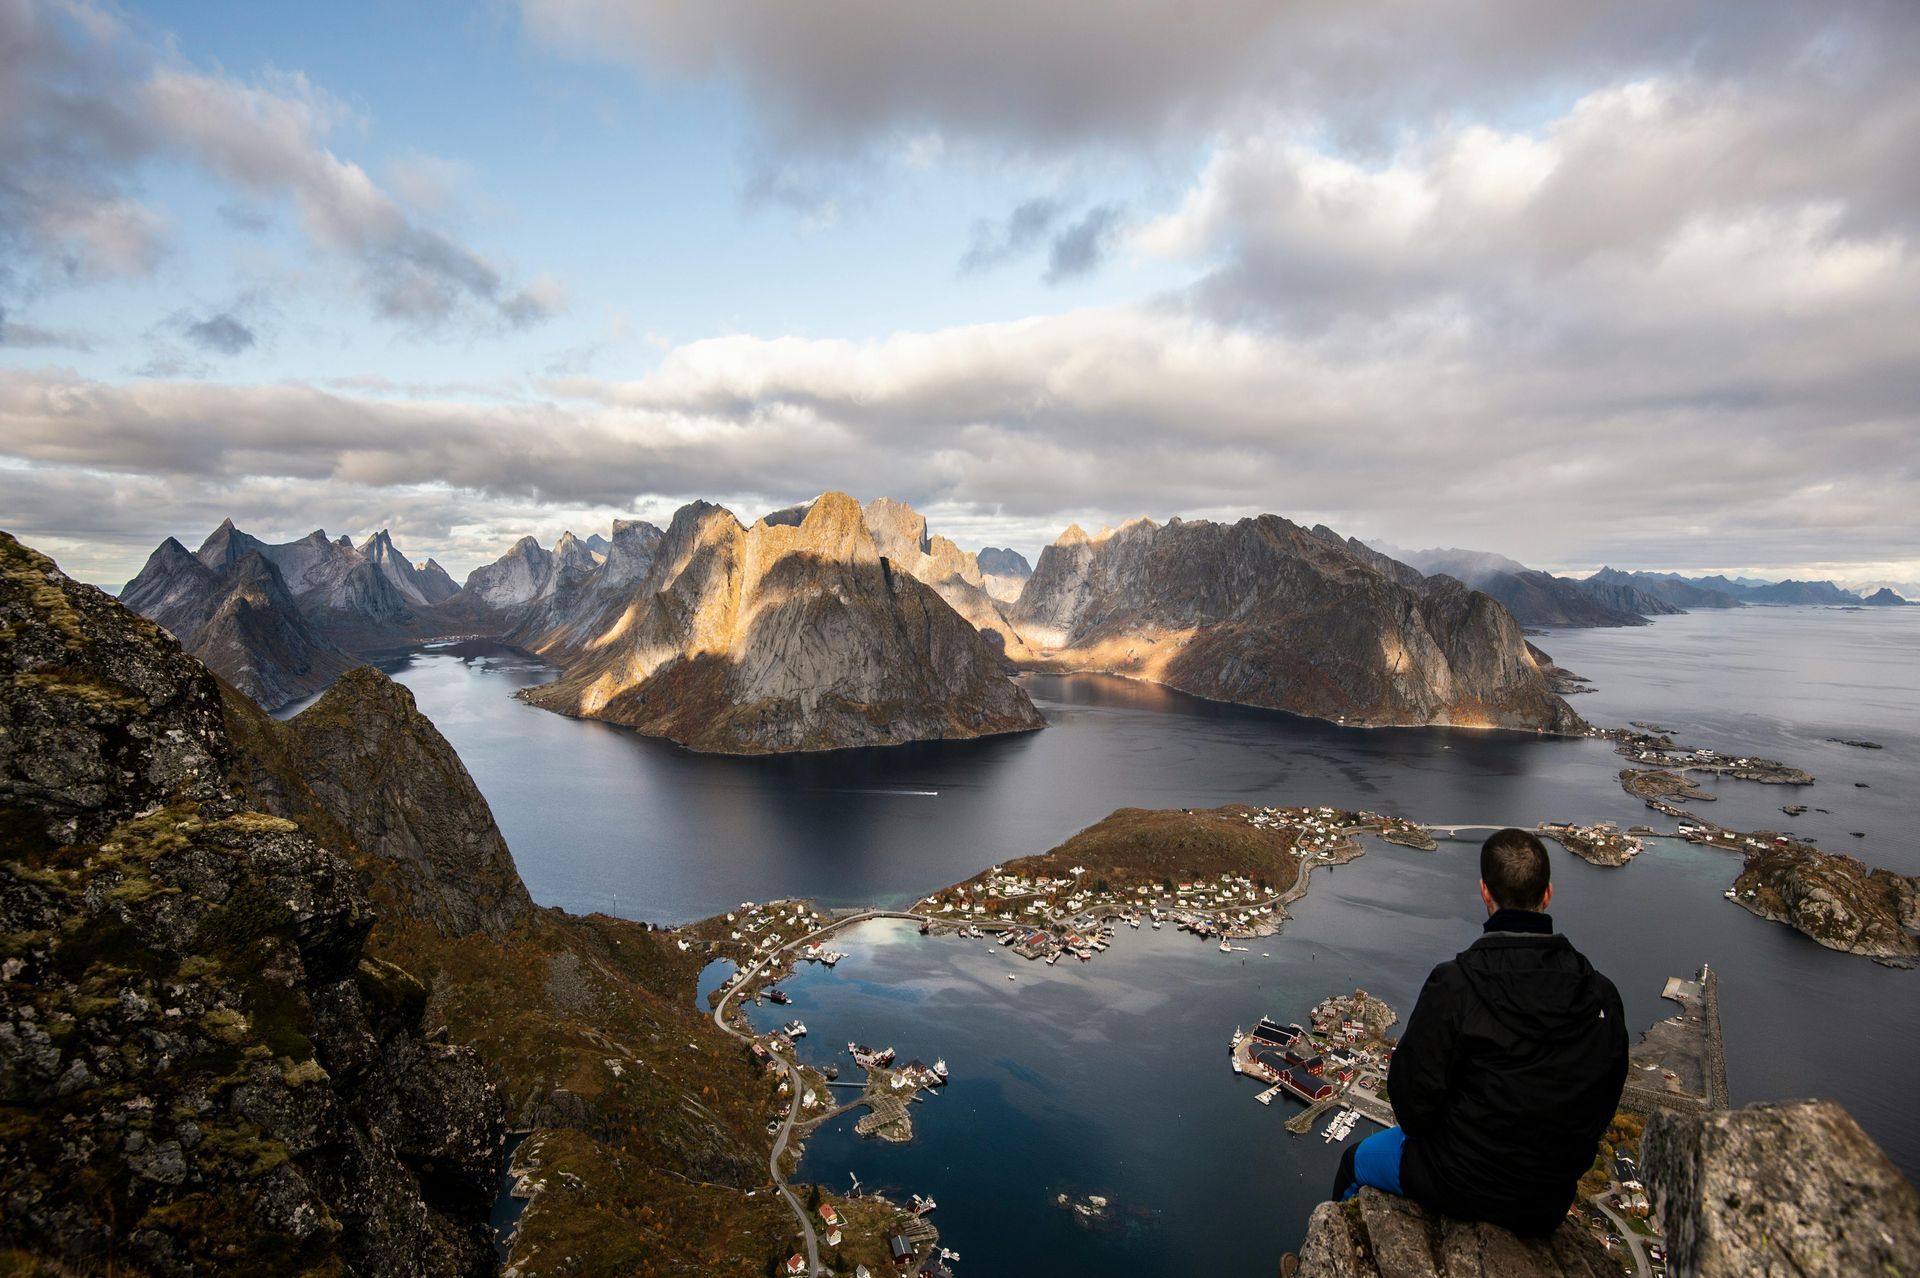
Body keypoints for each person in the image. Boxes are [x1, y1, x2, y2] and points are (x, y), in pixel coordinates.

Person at [1331, 827, 1628, 1236]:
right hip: (1547, 1200)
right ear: (1547, 894)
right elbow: (1603, 1101)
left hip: (1459, 1180)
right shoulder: (1602, 996)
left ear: (1485, 893)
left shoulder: (1456, 984)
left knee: (1354, 1163)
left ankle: (1340, 1246)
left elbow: (1412, 1108)